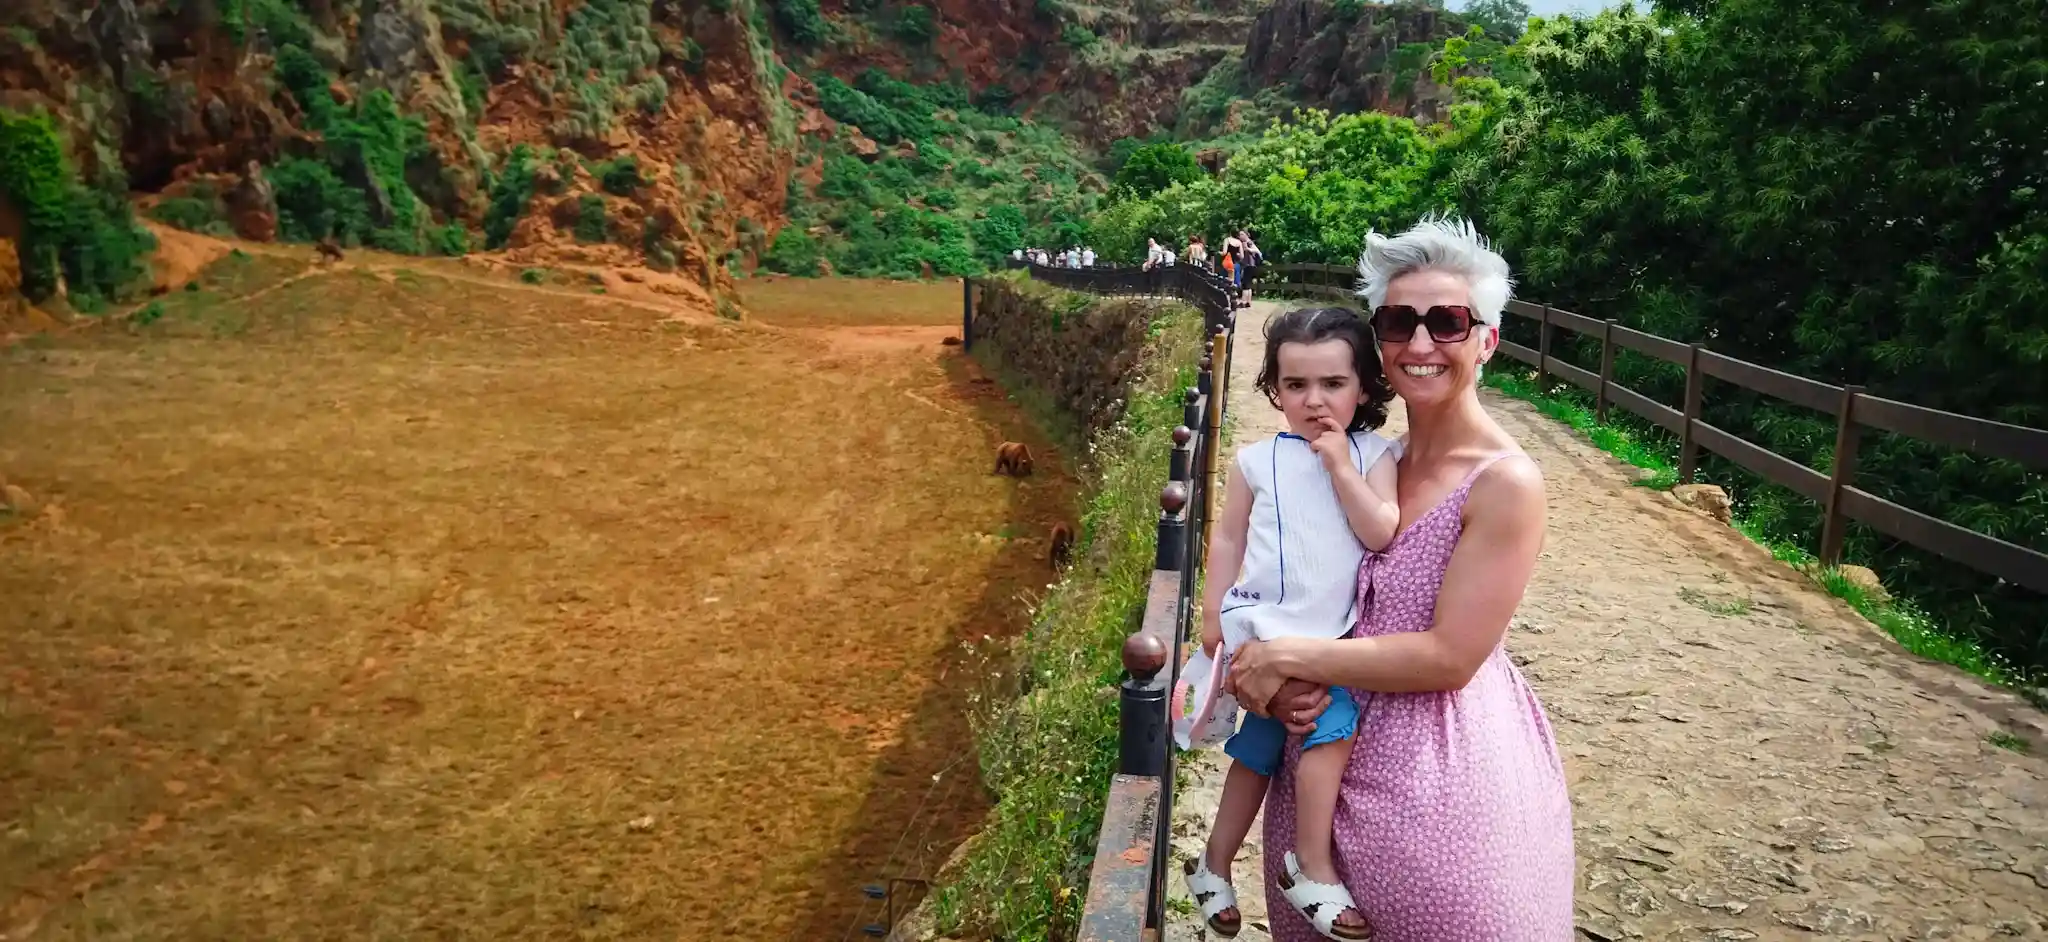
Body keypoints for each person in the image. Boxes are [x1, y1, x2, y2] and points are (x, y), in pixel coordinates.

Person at [1224, 215, 1576, 940]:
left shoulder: (1503, 482)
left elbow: (1450, 657)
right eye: (1398, 322)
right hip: (1321, 749)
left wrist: (1283, 657)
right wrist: (1247, 657)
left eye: (1447, 322)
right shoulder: (1363, 459)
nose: (1420, 344)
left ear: (1487, 340)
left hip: (1438, 781)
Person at [1177, 308, 1400, 941]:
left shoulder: (1375, 454)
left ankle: (1213, 861)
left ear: (1364, 387)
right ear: (1274, 388)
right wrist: (1213, 613)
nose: (1315, 400)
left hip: (1326, 635)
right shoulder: (1256, 460)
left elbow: (1381, 529)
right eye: (1296, 385)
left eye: (1333, 384)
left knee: (1262, 745)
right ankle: (1311, 863)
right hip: (1267, 627)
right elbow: (1227, 537)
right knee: (1331, 725)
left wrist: (1338, 465)